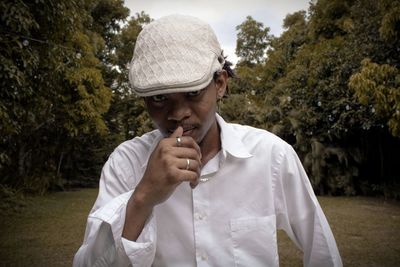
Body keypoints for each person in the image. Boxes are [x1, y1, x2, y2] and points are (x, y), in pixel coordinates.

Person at [73, 14, 342, 267]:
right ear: (144, 100)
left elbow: (322, 253)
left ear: (221, 84)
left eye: (192, 92)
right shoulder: (126, 164)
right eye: (159, 98)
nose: (178, 114)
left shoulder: (271, 156)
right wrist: (143, 197)